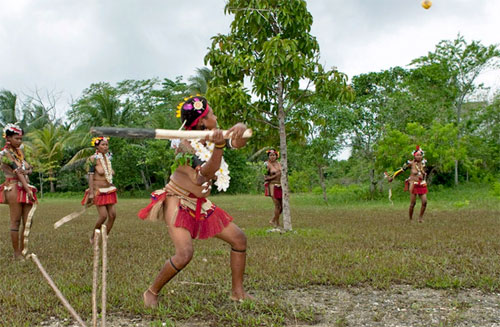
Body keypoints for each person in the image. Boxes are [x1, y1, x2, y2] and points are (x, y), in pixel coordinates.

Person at [138, 95, 252, 308]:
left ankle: (238, 292)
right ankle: (151, 292)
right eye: (211, 113)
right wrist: (219, 147)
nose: (216, 116)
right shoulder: (185, 145)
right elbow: (205, 175)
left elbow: (239, 141)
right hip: (177, 201)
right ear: (201, 121)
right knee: (184, 254)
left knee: (239, 239)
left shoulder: (213, 136)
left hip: (201, 203)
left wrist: (240, 127)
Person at [0, 124, 37, 259]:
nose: (19, 141)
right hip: (14, 187)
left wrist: (27, 171)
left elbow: (29, 168)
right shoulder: (5, 154)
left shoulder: (18, 153)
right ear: (8, 138)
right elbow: (18, 172)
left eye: (21, 139)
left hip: (25, 187)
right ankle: (16, 253)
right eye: (17, 139)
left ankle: (23, 249)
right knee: (15, 221)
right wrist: (28, 190)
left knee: (28, 221)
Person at [82, 136, 117, 243]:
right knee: (103, 216)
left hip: (109, 190)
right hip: (98, 191)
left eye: (106, 144)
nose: (105, 147)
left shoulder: (108, 158)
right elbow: (91, 176)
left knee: (112, 215)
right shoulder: (93, 159)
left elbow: (110, 173)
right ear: (97, 146)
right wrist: (91, 192)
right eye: (103, 144)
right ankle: (94, 236)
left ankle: (104, 236)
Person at [386, 145, 428, 222]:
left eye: (420, 155)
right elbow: (401, 170)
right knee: (413, 203)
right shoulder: (410, 163)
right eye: (417, 155)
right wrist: (392, 177)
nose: (419, 157)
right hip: (413, 184)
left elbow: (423, 174)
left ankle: (420, 218)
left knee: (424, 202)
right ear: (414, 156)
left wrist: (424, 175)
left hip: (421, 184)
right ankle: (410, 219)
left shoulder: (423, 164)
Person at [264, 149, 282, 227]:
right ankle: (277, 223)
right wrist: (275, 175)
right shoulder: (266, 165)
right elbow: (265, 178)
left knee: (282, 206)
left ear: (276, 156)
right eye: (270, 155)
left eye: (273, 155)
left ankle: (273, 220)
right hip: (272, 186)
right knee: (277, 205)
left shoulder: (280, 164)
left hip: (281, 185)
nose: (272, 157)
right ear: (268, 156)